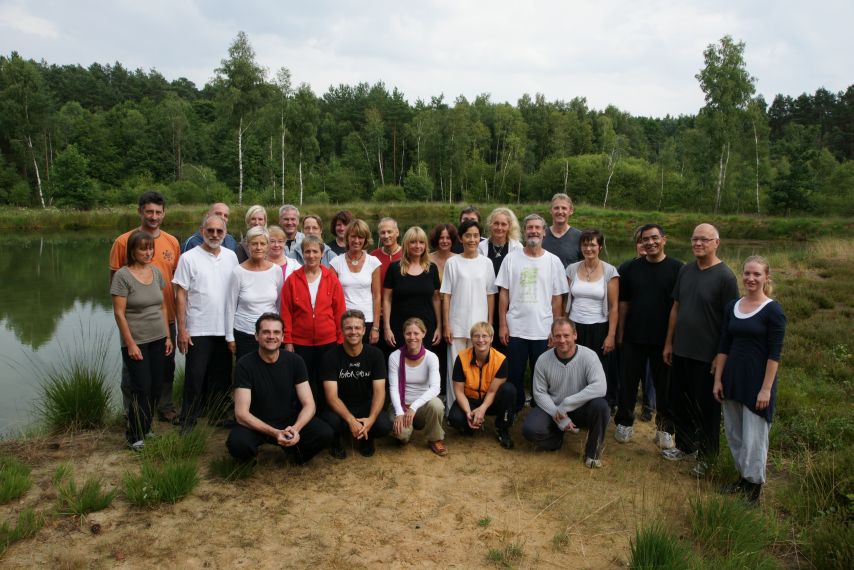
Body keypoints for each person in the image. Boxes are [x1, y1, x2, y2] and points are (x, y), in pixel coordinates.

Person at [663, 223, 739, 475]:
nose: (698, 243)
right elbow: (676, 308)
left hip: (707, 356)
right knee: (680, 402)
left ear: (716, 243)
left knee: (706, 409)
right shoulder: (686, 270)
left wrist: (720, 355)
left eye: (704, 239)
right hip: (681, 350)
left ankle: (707, 457)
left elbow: (730, 321)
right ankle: (685, 446)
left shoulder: (725, 277)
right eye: (694, 239)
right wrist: (669, 342)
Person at [713, 256, 786, 504]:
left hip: (757, 383)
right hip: (732, 379)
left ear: (766, 278)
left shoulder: (773, 311)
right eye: (747, 273)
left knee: (754, 438)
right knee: (735, 434)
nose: (751, 278)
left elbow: (774, 354)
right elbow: (724, 345)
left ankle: (754, 489)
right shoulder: (732, 306)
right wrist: (718, 379)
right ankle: (742, 479)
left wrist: (766, 389)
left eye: (757, 274)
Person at [109, 190, 180, 424]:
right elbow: (115, 283)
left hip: (165, 317)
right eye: (149, 211)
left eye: (158, 212)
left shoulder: (172, 241)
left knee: (165, 368)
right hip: (135, 321)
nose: (154, 216)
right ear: (140, 212)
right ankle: (131, 413)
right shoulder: (123, 242)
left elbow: (176, 280)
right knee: (133, 372)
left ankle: (164, 407)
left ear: (164, 213)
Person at [226, 313, 334, 465]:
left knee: (325, 433)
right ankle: (249, 461)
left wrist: (296, 429)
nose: (271, 336)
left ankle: (295, 454)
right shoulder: (244, 365)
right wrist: (275, 433)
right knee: (238, 443)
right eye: (266, 332)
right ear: (256, 336)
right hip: (255, 423)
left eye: (276, 332)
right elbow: (241, 414)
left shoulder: (295, 361)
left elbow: (309, 405)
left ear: (283, 337)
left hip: (288, 421)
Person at [614, 224, 683, 449]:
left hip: (663, 340)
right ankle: (624, 422)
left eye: (655, 238)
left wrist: (671, 341)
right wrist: (620, 333)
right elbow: (623, 303)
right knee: (628, 383)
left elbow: (678, 307)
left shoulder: (677, 269)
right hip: (633, 336)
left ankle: (664, 429)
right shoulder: (629, 268)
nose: (650, 243)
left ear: (664, 239)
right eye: (645, 239)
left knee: (665, 387)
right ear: (640, 242)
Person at [173, 213, 239, 431]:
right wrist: (182, 329)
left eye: (219, 231)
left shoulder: (231, 256)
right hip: (198, 328)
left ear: (225, 233)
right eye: (210, 230)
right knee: (195, 377)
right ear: (202, 231)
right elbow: (180, 295)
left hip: (225, 328)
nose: (214, 235)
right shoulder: (188, 258)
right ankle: (188, 421)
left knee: (221, 377)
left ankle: (217, 415)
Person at [496, 213, 569, 411]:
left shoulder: (553, 261)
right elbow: (504, 294)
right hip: (516, 328)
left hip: (543, 329)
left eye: (537, 228)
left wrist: (556, 330)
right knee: (514, 374)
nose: (533, 231)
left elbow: (557, 299)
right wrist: (502, 325)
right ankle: (515, 408)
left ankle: (541, 408)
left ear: (544, 232)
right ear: (524, 231)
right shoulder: (511, 258)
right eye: (530, 228)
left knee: (543, 374)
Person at [110, 230, 173, 450]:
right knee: (141, 387)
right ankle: (134, 435)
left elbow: (162, 307)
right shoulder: (122, 276)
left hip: (158, 338)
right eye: (142, 249)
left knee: (156, 386)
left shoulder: (156, 272)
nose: (148, 253)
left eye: (150, 249)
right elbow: (119, 313)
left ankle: (146, 428)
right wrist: (130, 344)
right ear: (132, 251)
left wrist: (167, 336)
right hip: (136, 342)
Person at [521, 318, 609, 468]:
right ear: (552, 337)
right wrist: (559, 416)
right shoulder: (543, 360)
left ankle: (592, 454)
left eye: (566, 335)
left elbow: (600, 387)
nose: (562, 340)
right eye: (557, 336)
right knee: (530, 430)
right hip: (554, 409)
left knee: (601, 406)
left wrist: (567, 403)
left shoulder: (589, 356)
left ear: (575, 335)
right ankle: (556, 439)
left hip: (581, 407)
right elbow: (539, 393)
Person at [280, 235, 346, 409]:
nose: (311, 255)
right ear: (302, 254)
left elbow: (339, 311)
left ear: (322, 253)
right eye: (307, 251)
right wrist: (288, 340)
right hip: (300, 342)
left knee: (326, 381)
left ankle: (327, 415)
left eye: (315, 251)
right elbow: (286, 312)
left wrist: (341, 340)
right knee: (303, 381)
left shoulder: (331, 278)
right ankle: (304, 415)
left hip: (328, 341)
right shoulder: (293, 279)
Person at [320, 310, 393, 459]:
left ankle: (367, 437)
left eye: (357, 328)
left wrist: (371, 419)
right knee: (330, 422)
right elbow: (331, 397)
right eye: (348, 328)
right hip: (340, 407)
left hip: (365, 406)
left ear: (364, 330)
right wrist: (351, 420)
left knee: (384, 425)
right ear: (342, 330)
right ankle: (336, 440)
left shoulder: (376, 354)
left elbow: (379, 392)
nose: (353, 332)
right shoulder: (330, 356)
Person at [441, 219, 497, 408]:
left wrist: (490, 323)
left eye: (475, 236)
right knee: (455, 367)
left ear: (480, 238)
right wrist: (446, 324)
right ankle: (453, 409)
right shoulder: (452, 262)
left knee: (476, 368)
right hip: (456, 324)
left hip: (479, 327)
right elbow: (446, 295)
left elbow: (490, 294)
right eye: (468, 236)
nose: (472, 240)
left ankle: (474, 407)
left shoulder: (486, 263)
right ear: (460, 238)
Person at [565, 230, 619, 409]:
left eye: (592, 245)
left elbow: (614, 306)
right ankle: (575, 402)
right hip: (575, 326)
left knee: (599, 368)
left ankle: (600, 405)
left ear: (600, 247)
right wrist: (563, 326)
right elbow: (566, 301)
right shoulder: (571, 269)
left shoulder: (610, 271)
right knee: (575, 365)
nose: (588, 249)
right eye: (585, 245)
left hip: (599, 327)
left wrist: (611, 335)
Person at [448, 322, 516, 449]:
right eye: (476, 336)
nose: (480, 340)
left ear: (491, 338)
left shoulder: (501, 360)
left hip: (490, 401)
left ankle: (502, 429)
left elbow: (492, 392)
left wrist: (482, 409)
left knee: (509, 390)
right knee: (455, 419)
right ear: (471, 339)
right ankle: (470, 423)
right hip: (470, 400)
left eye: (484, 336)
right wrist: (468, 412)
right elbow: (459, 391)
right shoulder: (462, 358)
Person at [388, 318, 447, 456]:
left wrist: (414, 407)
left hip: (421, 406)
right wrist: (399, 412)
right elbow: (393, 388)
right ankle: (406, 428)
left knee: (437, 404)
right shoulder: (395, 357)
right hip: (401, 405)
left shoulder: (431, 357)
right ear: (404, 335)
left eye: (416, 333)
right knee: (402, 437)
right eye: (408, 333)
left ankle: (435, 439)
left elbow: (435, 388)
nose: (412, 337)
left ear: (423, 334)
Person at [225, 226, 284, 361]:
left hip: (270, 333)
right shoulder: (238, 272)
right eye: (254, 243)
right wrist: (230, 337)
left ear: (268, 246)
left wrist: (280, 330)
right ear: (247, 246)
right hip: (244, 332)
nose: (258, 247)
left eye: (262, 243)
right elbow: (230, 306)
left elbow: (280, 303)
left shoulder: (276, 271)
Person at [383, 226, 442, 351]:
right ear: (406, 244)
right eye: (413, 242)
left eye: (421, 242)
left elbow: (436, 299)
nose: (418, 246)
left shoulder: (431, 268)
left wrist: (439, 327)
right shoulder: (394, 268)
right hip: (399, 328)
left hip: (426, 328)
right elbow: (387, 299)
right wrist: (387, 328)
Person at [329, 219, 382, 345]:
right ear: (347, 238)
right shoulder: (336, 263)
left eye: (360, 237)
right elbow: (331, 297)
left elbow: (377, 296)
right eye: (353, 236)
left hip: (367, 320)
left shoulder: (373, 262)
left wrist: (376, 327)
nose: (356, 241)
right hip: (344, 320)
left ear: (366, 239)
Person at [479, 207, 522, 354]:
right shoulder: (481, 247)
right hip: (485, 301)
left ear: (510, 226)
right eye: (496, 223)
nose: (499, 228)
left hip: (508, 303)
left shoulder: (517, 248)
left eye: (504, 224)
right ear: (490, 224)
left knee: (506, 345)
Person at [542, 193, 582, 268]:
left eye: (564, 208)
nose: (560, 212)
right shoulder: (541, 236)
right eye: (556, 208)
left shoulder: (580, 237)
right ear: (550, 210)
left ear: (571, 211)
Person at [370, 217, 402, 286]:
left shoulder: (407, 254)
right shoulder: (372, 256)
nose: (386, 236)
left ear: (397, 232)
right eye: (383, 232)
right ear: (379, 235)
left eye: (389, 232)